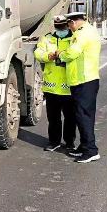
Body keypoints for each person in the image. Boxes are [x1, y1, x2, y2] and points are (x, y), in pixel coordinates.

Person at [57, 12, 101, 163]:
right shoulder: (89, 30)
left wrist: (60, 55)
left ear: (73, 22)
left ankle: (91, 150)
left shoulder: (81, 34)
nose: (69, 28)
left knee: (83, 116)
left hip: (84, 80)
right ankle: (84, 146)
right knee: (83, 115)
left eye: (69, 25)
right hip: (85, 79)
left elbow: (73, 52)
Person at [34, 15, 77, 152]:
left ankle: (69, 142)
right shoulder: (47, 38)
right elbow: (37, 52)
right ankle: (54, 142)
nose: (60, 29)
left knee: (70, 118)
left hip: (69, 86)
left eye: (62, 26)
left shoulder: (74, 38)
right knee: (53, 118)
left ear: (67, 25)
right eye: (57, 27)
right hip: (51, 86)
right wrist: (48, 56)